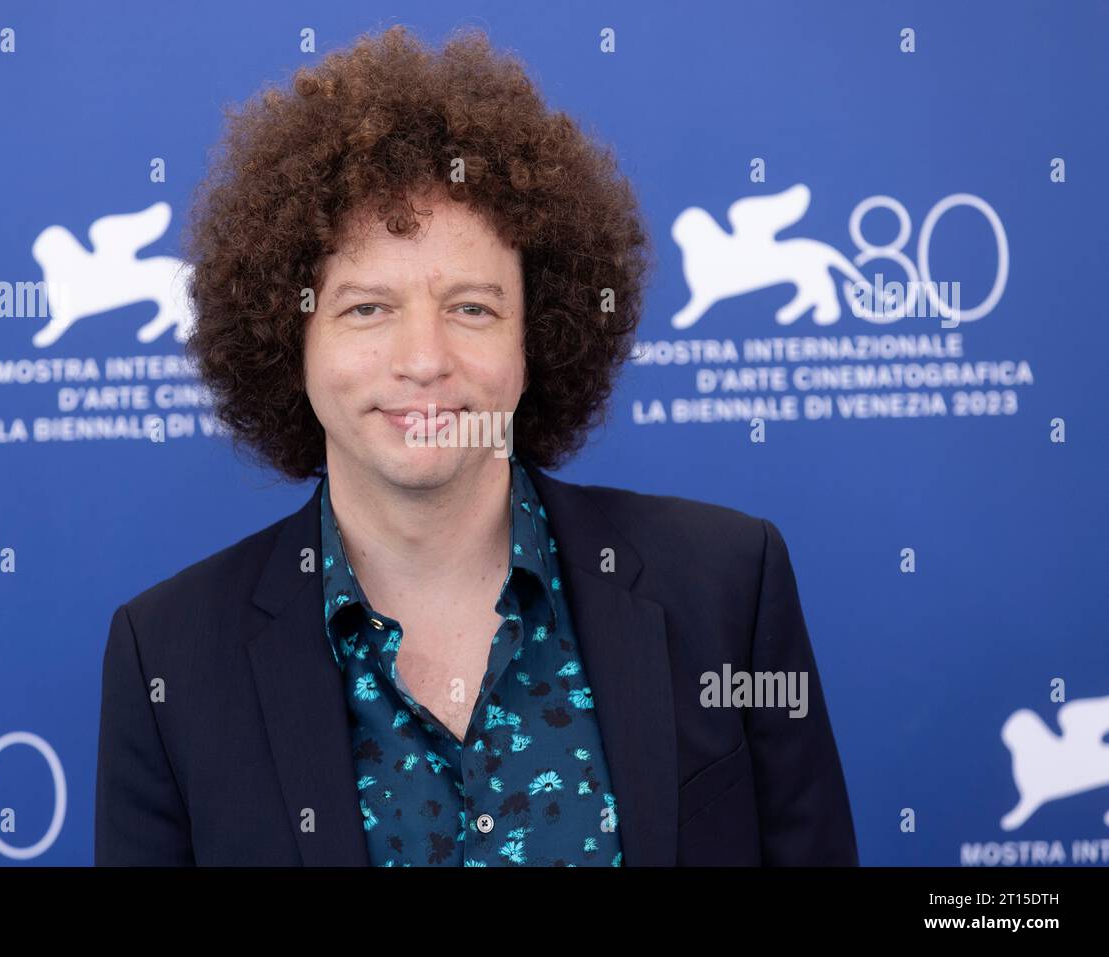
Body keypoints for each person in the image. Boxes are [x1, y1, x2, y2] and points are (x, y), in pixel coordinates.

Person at [95, 25, 858, 866]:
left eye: (472, 307)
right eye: (366, 308)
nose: (424, 360)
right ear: (290, 340)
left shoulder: (725, 586)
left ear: (539, 337)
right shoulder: (167, 659)